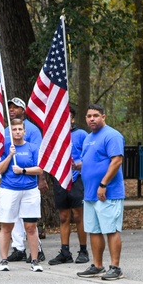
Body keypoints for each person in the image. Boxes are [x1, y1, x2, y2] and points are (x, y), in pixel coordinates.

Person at [76, 104, 125, 280]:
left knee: (111, 229)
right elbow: (92, 160)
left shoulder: (112, 135)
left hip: (108, 192)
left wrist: (103, 184)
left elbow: (117, 160)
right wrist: (80, 165)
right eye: (89, 116)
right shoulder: (88, 138)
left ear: (104, 117)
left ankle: (115, 267)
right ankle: (97, 266)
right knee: (94, 230)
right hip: (90, 193)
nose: (92, 119)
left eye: (96, 115)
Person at [0, 119, 44, 272]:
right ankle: (3, 260)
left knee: (31, 227)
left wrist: (23, 170)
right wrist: (9, 156)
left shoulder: (32, 148)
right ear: (11, 132)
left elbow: (40, 169)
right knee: (7, 226)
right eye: (14, 129)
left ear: (24, 132)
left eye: (19, 129)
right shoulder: (4, 148)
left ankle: (34, 260)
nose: (17, 132)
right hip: (9, 190)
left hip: (30, 191)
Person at [4, 99, 45, 263]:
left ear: (24, 110)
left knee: (29, 219)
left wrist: (41, 179)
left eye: (16, 107)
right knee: (13, 216)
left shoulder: (32, 130)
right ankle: (18, 248)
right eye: (10, 108)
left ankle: (38, 250)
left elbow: (39, 157)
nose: (12, 110)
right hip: (10, 182)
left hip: (28, 181)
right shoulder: (7, 129)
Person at [49, 109, 90, 265]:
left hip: (77, 179)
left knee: (78, 216)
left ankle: (83, 250)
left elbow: (90, 156)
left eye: (68, 118)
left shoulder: (81, 135)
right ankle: (65, 252)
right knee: (63, 217)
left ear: (73, 120)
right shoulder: (55, 136)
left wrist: (81, 164)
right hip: (60, 178)